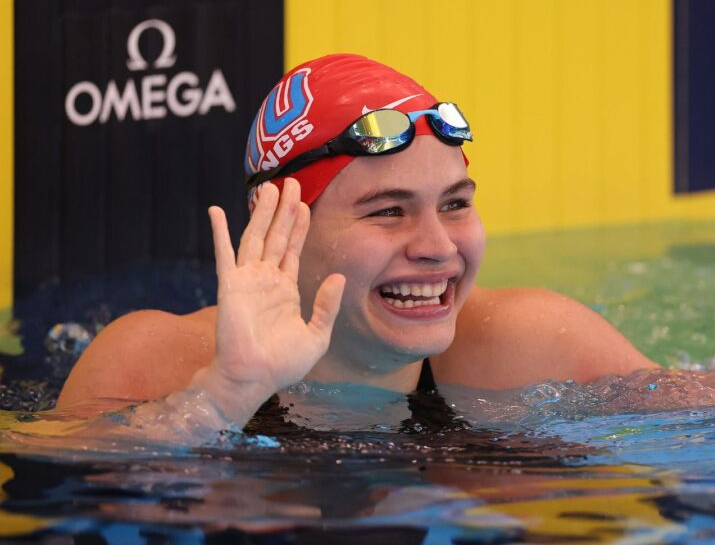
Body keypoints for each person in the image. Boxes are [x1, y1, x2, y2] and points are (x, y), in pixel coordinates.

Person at [53, 54, 665, 437]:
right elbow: (60, 499)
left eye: (455, 203)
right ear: (280, 221)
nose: (437, 247)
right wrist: (227, 394)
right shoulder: (152, 361)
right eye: (389, 211)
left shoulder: (528, 345)